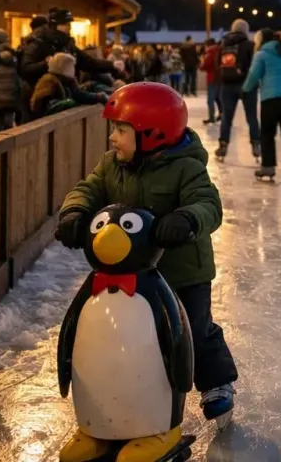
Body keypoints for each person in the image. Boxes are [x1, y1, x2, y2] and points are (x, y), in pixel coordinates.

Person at [55, 82, 237, 447]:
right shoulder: (113, 166)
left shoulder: (186, 168)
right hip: (131, 271)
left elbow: (208, 205)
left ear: (152, 132)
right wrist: (74, 211)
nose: (112, 138)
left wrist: (186, 219)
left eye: (121, 130)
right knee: (132, 340)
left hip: (183, 272)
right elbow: (87, 188)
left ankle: (217, 382)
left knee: (193, 332)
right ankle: (129, 398)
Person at [242, 29, 281, 179]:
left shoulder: (261, 55)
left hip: (271, 99)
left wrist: (245, 90)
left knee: (267, 134)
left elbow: (253, 74)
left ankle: (268, 167)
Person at [18, 7, 116, 91]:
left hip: (67, 92)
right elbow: (26, 69)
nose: (69, 27)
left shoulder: (68, 44)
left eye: (69, 24)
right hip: (44, 95)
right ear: (55, 26)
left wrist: (112, 65)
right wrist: (46, 64)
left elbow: (89, 63)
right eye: (66, 24)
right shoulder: (39, 42)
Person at [214, 19, 261, 161]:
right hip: (247, 85)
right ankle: (256, 144)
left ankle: (223, 145)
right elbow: (255, 65)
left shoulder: (223, 44)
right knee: (251, 117)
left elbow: (217, 64)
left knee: (226, 117)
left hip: (227, 85)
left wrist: (225, 76)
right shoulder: (250, 45)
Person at [29, 53, 106, 118]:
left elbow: (79, 94)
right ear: (65, 67)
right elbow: (46, 106)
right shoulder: (49, 81)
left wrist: (97, 97)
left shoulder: (67, 81)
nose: (73, 70)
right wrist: (71, 102)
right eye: (71, 67)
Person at [200, 39, 221, 124]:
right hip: (220, 78)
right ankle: (222, 114)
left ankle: (211, 117)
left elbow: (203, 66)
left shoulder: (210, 52)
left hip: (212, 78)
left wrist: (202, 62)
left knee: (210, 100)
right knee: (218, 98)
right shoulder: (220, 50)